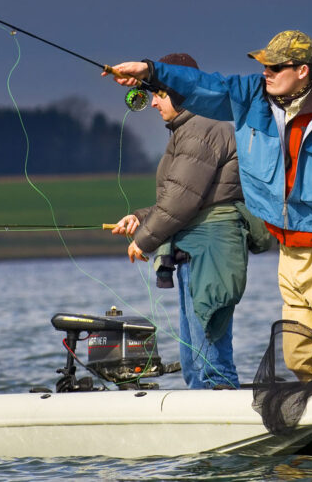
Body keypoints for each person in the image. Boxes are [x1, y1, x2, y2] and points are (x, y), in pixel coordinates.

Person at [106, 31, 312, 382]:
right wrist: (150, 72)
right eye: (264, 65)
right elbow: (205, 84)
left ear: (304, 71)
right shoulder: (250, 97)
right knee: (301, 359)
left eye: (276, 67)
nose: (267, 73)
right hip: (290, 255)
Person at [111, 52, 257, 390]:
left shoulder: (201, 127)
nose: (152, 104)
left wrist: (144, 240)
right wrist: (139, 218)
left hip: (211, 249)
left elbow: (182, 200)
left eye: (158, 93)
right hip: (197, 248)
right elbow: (186, 197)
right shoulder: (190, 129)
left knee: (211, 361)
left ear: (179, 89)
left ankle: (222, 422)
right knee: (195, 361)